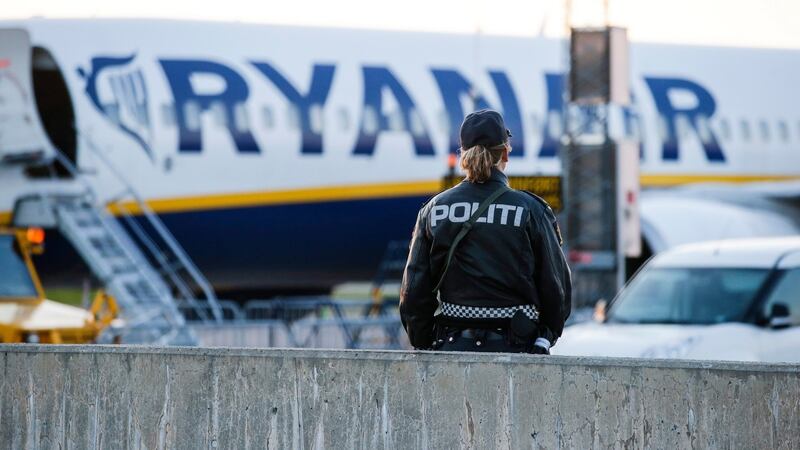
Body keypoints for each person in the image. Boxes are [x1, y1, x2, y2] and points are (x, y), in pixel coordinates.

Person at [399, 109, 571, 354]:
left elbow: (413, 291)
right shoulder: (531, 210)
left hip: (451, 347)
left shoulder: (434, 210)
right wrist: (544, 338)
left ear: (463, 156)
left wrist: (425, 342)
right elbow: (557, 289)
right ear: (505, 153)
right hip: (518, 349)